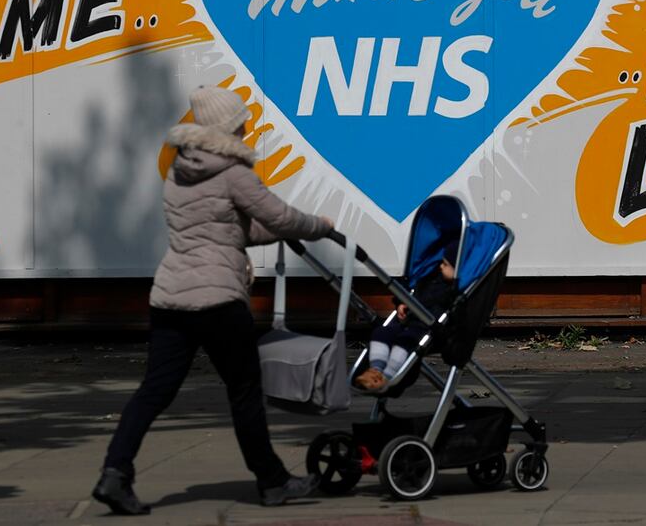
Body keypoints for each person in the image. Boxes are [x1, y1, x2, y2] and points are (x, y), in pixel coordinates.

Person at [93, 87, 334, 514]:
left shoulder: (179, 171)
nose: (245, 126)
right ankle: (273, 482)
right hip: (218, 300)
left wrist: (274, 231)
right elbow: (277, 216)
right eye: (240, 120)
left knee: (153, 391)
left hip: (170, 298)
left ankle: (115, 473)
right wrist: (319, 225)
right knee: (243, 390)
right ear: (226, 127)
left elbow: (231, 230)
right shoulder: (234, 172)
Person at [354, 240, 459, 392]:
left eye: (445, 264)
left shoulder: (452, 292)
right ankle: (375, 370)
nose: (440, 266)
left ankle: (387, 377)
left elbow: (439, 310)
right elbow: (414, 293)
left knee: (404, 341)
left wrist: (414, 308)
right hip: (409, 322)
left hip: (429, 330)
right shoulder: (430, 279)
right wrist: (402, 304)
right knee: (381, 332)